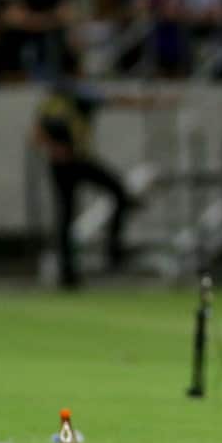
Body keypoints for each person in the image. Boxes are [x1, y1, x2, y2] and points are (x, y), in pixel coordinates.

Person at [33, 53, 163, 290]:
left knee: (68, 215)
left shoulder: (53, 97)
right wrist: (148, 102)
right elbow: (114, 100)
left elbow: (37, 132)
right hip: (75, 160)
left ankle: (71, 273)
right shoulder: (77, 94)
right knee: (116, 194)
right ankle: (110, 255)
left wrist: (52, 149)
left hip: (66, 162)